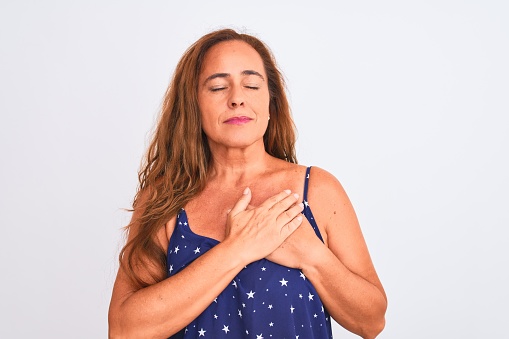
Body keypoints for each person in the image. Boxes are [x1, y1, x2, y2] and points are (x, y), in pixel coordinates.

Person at [108, 28, 387, 339]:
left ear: (271, 103)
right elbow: (125, 330)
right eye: (217, 88)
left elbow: (372, 321)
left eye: (252, 85)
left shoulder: (318, 190)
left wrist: (312, 255)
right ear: (193, 105)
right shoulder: (163, 199)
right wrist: (238, 249)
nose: (237, 99)